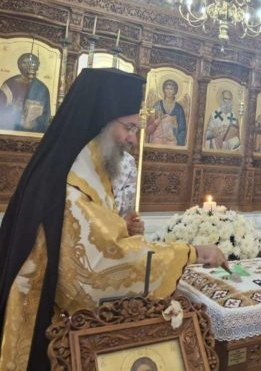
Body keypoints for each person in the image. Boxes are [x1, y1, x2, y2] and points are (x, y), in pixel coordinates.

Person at [0, 68, 227, 371]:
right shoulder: (72, 184)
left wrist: (122, 226)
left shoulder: (82, 167)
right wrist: (193, 252)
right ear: (101, 122)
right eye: (129, 127)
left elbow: (94, 231)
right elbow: (102, 266)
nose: (133, 138)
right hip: (39, 318)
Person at [0, 52, 51, 133]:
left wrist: (33, 123)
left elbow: (45, 116)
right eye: (25, 63)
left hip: (32, 133)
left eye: (33, 63)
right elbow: (1, 109)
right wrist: (14, 109)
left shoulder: (42, 88)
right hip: (9, 131)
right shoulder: (9, 84)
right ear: (19, 65)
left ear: (37, 67)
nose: (29, 66)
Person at [147, 79, 187, 146]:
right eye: (167, 88)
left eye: (171, 89)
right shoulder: (157, 106)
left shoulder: (178, 108)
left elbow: (182, 129)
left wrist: (179, 144)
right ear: (163, 90)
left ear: (175, 91)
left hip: (172, 141)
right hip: (157, 140)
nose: (168, 91)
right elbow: (150, 125)